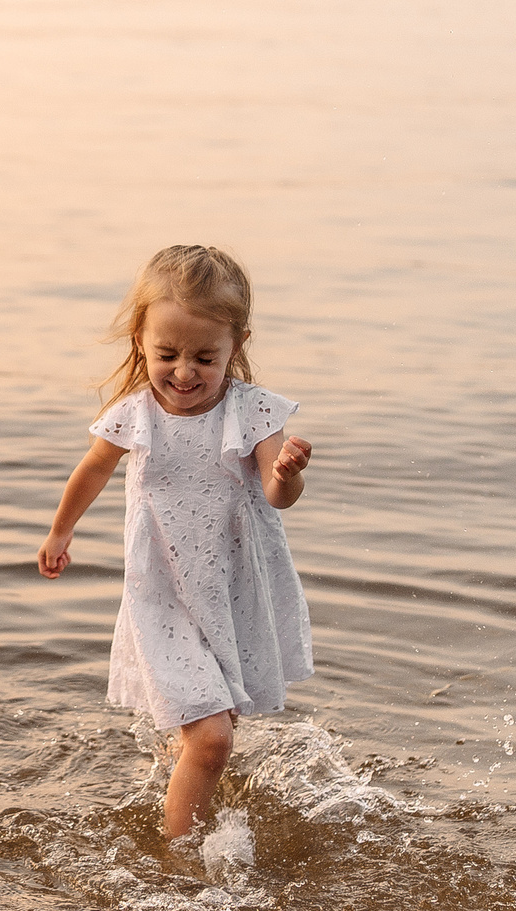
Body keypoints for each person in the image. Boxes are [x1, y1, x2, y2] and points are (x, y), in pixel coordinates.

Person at [37, 246, 315, 840]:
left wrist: (287, 476)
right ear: (140, 339)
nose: (184, 372)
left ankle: (174, 781)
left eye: (204, 357)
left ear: (236, 345)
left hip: (232, 589)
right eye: (167, 354)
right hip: (160, 591)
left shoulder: (254, 411)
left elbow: (274, 494)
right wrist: (62, 530)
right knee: (213, 739)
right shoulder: (134, 414)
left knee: (213, 723)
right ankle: (178, 855)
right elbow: (92, 471)